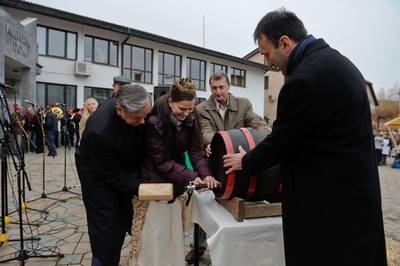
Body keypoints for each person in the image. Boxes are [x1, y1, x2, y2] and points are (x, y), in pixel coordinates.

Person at [223, 9, 387, 266]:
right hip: (357, 197)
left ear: (285, 43)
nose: (267, 64)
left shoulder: (303, 80)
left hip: (326, 206)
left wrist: (246, 161)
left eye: (267, 54)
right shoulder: (342, 64)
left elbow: (282, 142)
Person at [130, 78, 219, 266]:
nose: (186, 114)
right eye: (182, 109)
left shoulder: (191, 116)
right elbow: (161, 162)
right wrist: (193, 177)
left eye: (190, 108)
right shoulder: (154, 122)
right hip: (154, 186)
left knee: (172, 236)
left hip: (175, 184)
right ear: (171, 102)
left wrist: (206, 174)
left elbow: (196, 151)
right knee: (155, 237)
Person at [185, 71, 268, 264]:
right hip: (213, 162)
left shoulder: (244, 104)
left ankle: (235, 248)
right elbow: (205, 131)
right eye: (214, 88)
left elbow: (256, 122)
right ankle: (198, 247)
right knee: (206, 207)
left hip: (237, 163)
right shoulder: (202, 108)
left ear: (229, 87)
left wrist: (259, 127)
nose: (218, 92)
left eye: (221, 87)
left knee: (233, 206)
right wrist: (211, 142)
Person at [75, 84, 151, 266]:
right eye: (138, 118)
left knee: (127, 213)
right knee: (107, 226)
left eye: (145, 116)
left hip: (121, 163)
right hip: (97, 176)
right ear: (119, 110)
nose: (143, 122)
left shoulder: (135, 109)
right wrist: (142, 188)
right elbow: (114, 176)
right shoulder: (98, 131)